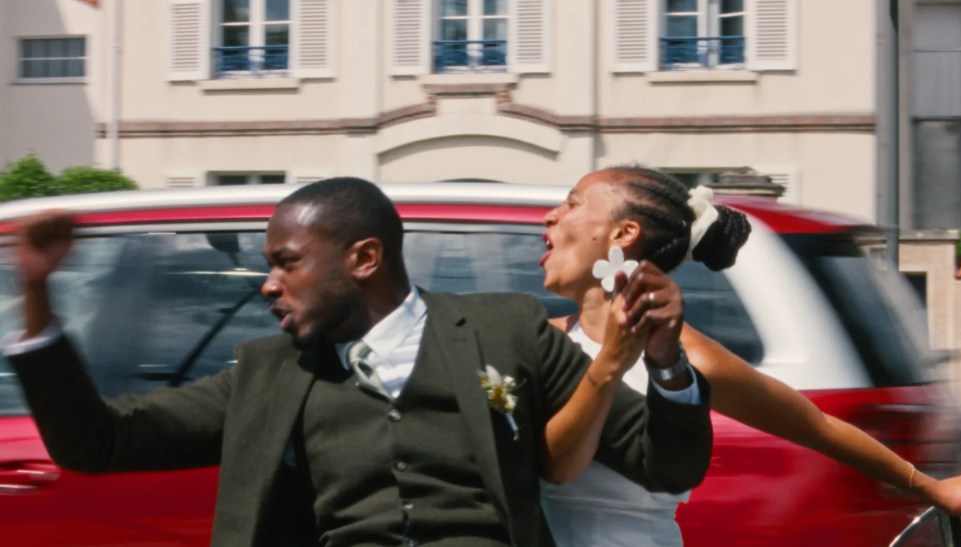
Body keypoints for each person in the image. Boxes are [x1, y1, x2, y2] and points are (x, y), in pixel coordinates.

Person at [6, 177, 713, 547]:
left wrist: (665, 362)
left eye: (286, 263)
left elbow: (666, 463)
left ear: (365, 258)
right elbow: (96, 441)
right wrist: (37, 293)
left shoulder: (506, 330)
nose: (268, 285)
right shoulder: (268, 373)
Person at [537, 164, 961, 547]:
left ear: (624, 233)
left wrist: (932, 488)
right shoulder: (536, 338)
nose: (550, 217)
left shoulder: (690, 359)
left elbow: (816, 426)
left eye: (572, 203)